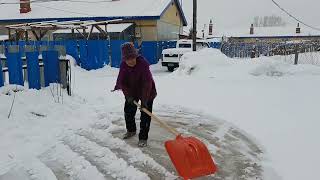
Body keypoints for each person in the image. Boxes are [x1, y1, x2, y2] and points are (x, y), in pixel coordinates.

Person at [113, 42, 157, 147]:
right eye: (128, 59)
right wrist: (128, 95)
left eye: (133, 58)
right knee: (128, 111)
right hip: (132, 91)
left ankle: (143, 137)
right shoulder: (123, 66)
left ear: (136, 56)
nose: (131, 61)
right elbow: (122, 82)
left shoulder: (143, 64)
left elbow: (147, 83)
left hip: (148, 91)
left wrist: (145, 101)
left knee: (145, 114)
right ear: (124, 59)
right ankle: (131, 130)